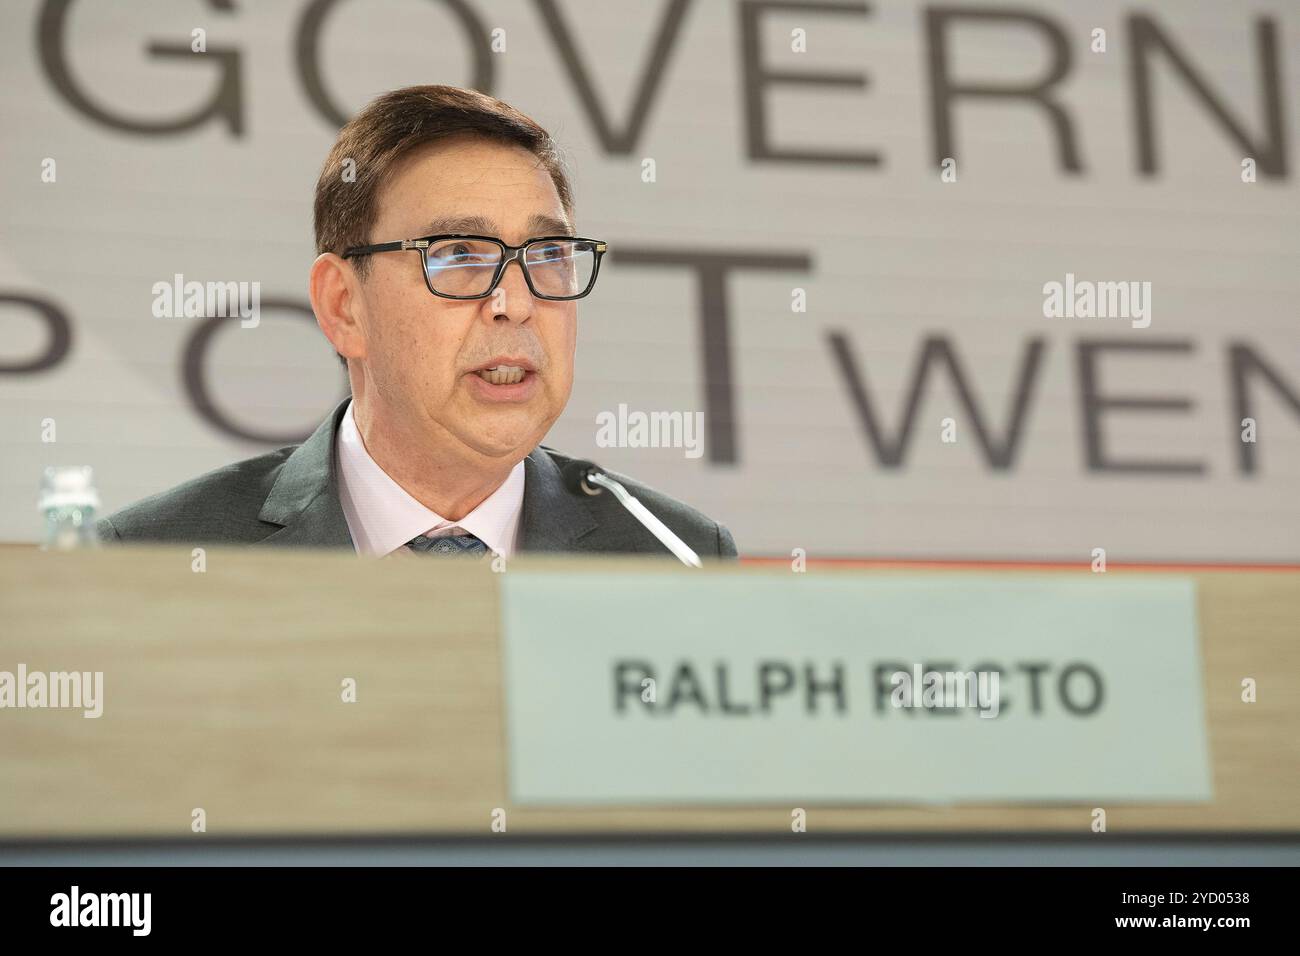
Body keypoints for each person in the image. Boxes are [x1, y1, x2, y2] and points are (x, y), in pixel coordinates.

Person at [97, 85, 737, 561]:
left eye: (546, 256)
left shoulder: (678, 559)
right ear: (344, 306)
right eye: (459, 256)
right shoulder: (158, 557)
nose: (515, 302)